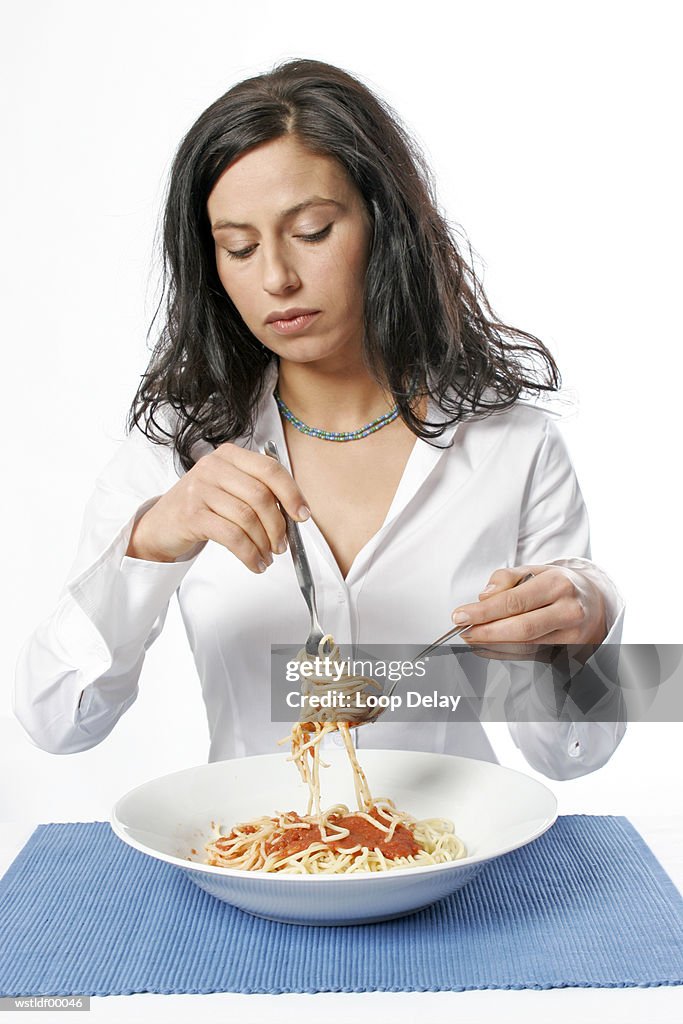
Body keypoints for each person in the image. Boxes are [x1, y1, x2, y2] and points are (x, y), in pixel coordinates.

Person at [14, 58, 624, 779]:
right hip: (259, 854)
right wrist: (149, 541)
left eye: (310, 231)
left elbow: (573, 754)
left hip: (450, 849)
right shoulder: (177, 449)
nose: (276, 277)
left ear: (383, 224)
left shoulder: (513, 444)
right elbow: (55, 722)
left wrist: (586, 629)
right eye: (239, 247)